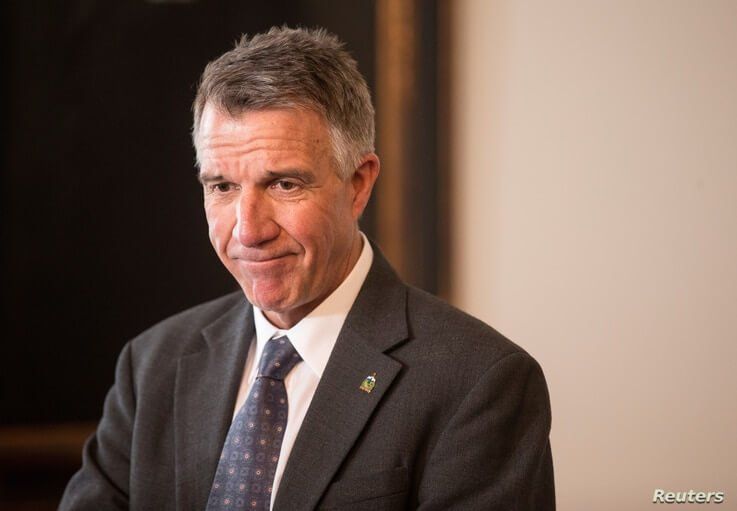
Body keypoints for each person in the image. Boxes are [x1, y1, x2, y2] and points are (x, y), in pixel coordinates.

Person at [59, 26, 555, 511]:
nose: (248, 230)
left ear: (358, 184)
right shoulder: (151, 366)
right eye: (222, 187)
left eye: (284, 185)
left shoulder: (479, 383)